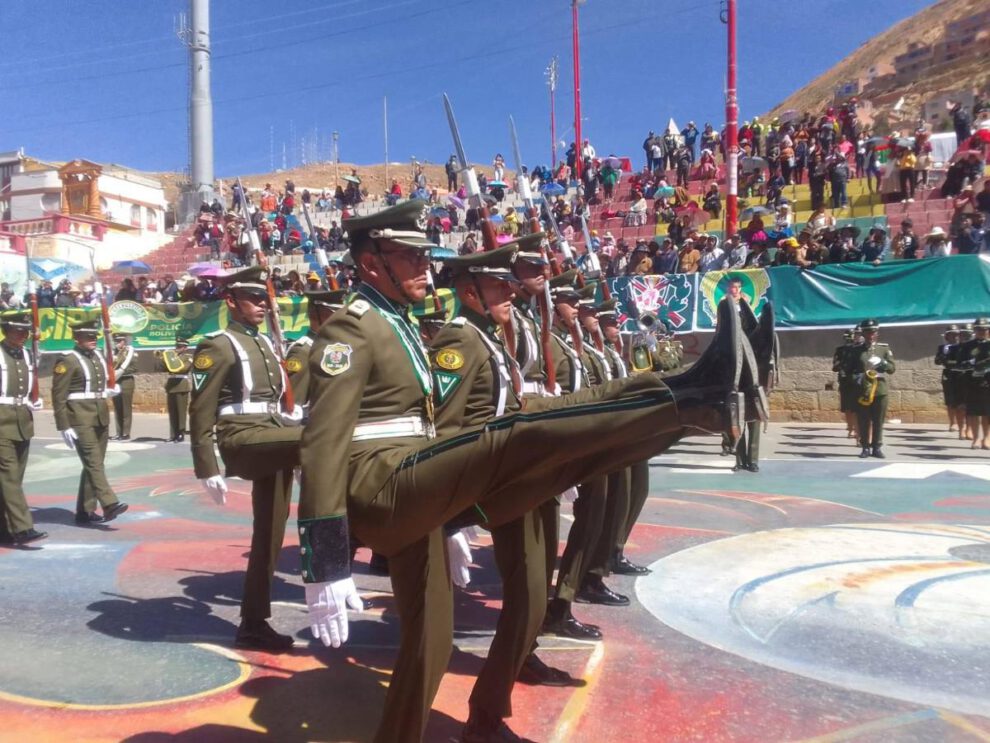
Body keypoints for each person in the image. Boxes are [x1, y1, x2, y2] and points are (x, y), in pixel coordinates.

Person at [296, 200, 768, 743]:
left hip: (416, 479)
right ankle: (688, 395)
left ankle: (694, 406)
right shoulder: (350, 330)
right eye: (409, 257)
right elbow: (323, 441)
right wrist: (325, 561)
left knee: (433, 637)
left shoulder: (399, 325)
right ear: (371, 262)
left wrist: (447, 515)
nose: (424, 268)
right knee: (520, 436)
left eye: (425, 256)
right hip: (377, 482)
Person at [430, 243, 572, 742]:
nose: (509, 293)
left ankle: (491, 707)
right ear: (470, 292)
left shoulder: (491, 337)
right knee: (528, 595)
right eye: (497, 287)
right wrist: (445, 515)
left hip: (517, 474)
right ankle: (484, 718)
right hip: (492, 479)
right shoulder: (460, 339)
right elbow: (446, 429)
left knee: (533, 595)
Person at [188, 265, 303, 651]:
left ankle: (253, 622)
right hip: (241, 438)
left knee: (270, 534)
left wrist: (290, 417)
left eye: (263, 299)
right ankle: (334, 559)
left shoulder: (266, 343)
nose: (261, 305)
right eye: (253, 299)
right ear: (230, 302)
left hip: (272, 435)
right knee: (322, 440)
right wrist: (207, 465)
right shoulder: (218, 345)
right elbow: (200, 409)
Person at [52, 319, 129, 526]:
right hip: (79, 417)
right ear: (76, 338)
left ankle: (85, 511)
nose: (93, 340)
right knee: (93, 462)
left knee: (94, 464)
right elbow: (58, 395)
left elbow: (98, 385)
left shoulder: (97, 357)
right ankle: (110, 503)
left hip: (100, 414)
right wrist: (63, 425)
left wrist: (108, 391)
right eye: (88, 337)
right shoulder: (68, 359)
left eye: (94, 336)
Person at [0, 311, 47, 546]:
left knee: (13, 479)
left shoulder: (27, 355)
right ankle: (23, 528)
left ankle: (5, 529)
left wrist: (33, 400)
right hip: (0, 422)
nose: (23, 335)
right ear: (6, 330)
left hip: (22, 421)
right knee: (8, 476)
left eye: (25, 331)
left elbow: (28, 386)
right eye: (18, 330)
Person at [285, 289, 347, 410]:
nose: (339, 318)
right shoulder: (303, 351)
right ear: (314, 314)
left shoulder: (338, 346)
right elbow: (295, 403)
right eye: (332, 313)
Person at [852, 319, 895, 458]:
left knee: (878, 420)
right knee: (863, 420)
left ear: (877, 332)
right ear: (863, 333)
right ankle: (865, 447)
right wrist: (857, 378)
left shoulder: (884, 348)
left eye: (873, 332)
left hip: (879, 389)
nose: (871, 335)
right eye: (867, 332)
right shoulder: (856, 350)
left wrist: (882, 362)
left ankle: (876, 447)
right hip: (863, 389)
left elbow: (892, 369)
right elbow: (849, 369)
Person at [960, 317, 990, 449]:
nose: (981, 332)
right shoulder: (968, 346)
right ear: (974, 330)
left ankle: (987, 438)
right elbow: (960, 364)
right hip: (972, 381)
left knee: (988, 412)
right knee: (974, 411)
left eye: (984, 329)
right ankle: (976, 438)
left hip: (988, 381)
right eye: (978, 329)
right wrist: (971, 364)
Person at [158, 334, 194, 443]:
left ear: (185, 347)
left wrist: (172, 360)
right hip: (171, 385)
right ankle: (173, 434)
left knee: (181, 412)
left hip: (181, 384)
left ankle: (181, 434)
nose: (177, 348)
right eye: (177, 346)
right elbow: (162, 368)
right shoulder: (171, 357)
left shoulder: (188, 357)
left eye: (180, 346)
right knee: (172, 412)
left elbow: (183, 369)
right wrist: (163, 358)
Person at [934, 325, 961, 432]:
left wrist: (950, 362)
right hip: (948, 374)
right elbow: (937, 361)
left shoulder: (963, 346)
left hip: (960, 374)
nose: (955, 337)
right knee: (949, 400)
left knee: (961, 400)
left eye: (956, 334)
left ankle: (962, 423)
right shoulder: (943, 347)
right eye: (952, 335)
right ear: (947, 336)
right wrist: (943, 355)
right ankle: (953, 423)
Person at [834, 328, 860, 438]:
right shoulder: (840, 350)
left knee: (857, 407)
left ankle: (858, 430)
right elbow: (835, 365)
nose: (850, 340)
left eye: (852, 336)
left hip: (857, 381)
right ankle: (851, 429)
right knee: (847, 408)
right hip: (845, 381)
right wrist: (840, 365)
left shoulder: (859, 349)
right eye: (848, 337)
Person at [111, 333, 137, 441]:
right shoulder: (113, 352)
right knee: (117, 408)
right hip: (116, 381)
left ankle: (126, 433)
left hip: (126, 380)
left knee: (126, 407)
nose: (117, 343)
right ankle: (118, 432)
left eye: (119, 341)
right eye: (116, 341)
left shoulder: (130, 352)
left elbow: (133, 367)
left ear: (124, 341)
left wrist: (118, 371)